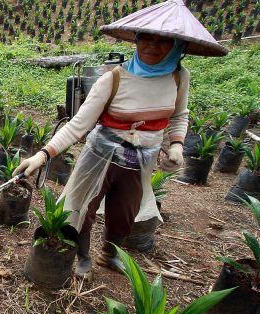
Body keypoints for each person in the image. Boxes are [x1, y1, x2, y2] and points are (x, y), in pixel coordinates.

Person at [15, 0, 228, 278]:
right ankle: (82, 256)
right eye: (145, 37)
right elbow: (79, 125)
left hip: (141, 160)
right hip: (100, 155)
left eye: (163, 40)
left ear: (179, 46)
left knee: (125, 213)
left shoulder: (178, 78)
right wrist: (42, 155)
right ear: (136, 40)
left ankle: (110, 252)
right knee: (83, 209)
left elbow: (179, 115)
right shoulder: (113, 79)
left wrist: (176, 145)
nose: (152, 45)